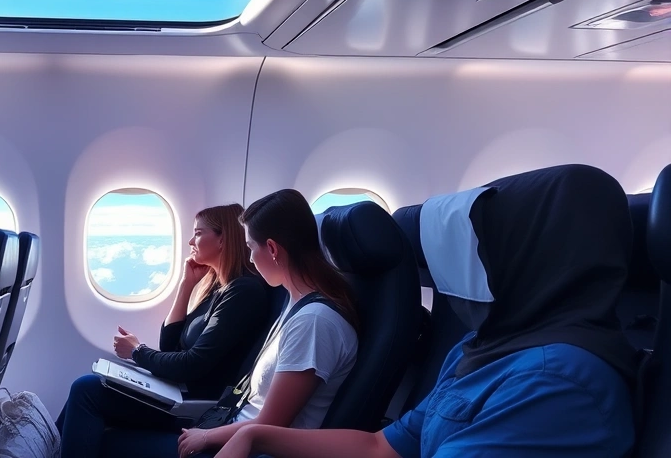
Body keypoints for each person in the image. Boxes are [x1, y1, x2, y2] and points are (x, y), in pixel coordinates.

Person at [213, 166, 637, 458]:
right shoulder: (483, 347)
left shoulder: (558, 382)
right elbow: (380, 447)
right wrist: (254, 434)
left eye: (484, 253)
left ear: (535, 262)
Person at [102, 189, 361, 458]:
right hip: (231, 430)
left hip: (252, 449)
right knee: (105, 438)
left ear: (271, 248)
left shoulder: (314, 323)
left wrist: (205, 436)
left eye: (250, 247)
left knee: (106, 442)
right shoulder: (296, 306)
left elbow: (270, 425)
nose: (249, 258)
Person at [58, 203, 272, 458]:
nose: (191, 240)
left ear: (222, 239)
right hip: (177, 392)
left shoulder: (244, 291)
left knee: (85, 390)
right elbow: (170, 346)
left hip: (193, 405)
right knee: (92, 384)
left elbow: (193, 363)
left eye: (199, 233)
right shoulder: (218, 288)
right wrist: (186, 285)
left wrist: (137, 351)